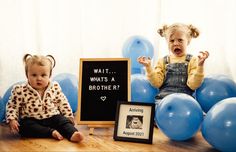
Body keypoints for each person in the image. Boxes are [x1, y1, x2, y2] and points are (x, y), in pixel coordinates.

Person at [5, 54, 84, 142]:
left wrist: (68, 115)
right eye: (34, 75)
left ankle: (73, 133)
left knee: (63, 121)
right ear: (27, 75)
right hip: (32, 120)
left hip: (53, 117)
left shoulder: (54, 87)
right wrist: (12, 119)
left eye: (43, 75)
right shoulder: (20, 90)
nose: (39, 78)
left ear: (49, 75)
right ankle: (51, 132)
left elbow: (62, 102)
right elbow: (12, 105)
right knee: (23, 126)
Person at [137, 23, 209, 105]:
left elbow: (193, 85)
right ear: (167, 43)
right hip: (163, 102)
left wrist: (200, 66)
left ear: (188, 41)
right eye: (171, 41)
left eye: (180, 40)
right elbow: (157, 83)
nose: (175, 43)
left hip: (185, 102)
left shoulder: (193, 60)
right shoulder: (162, 61)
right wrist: (148, 67)